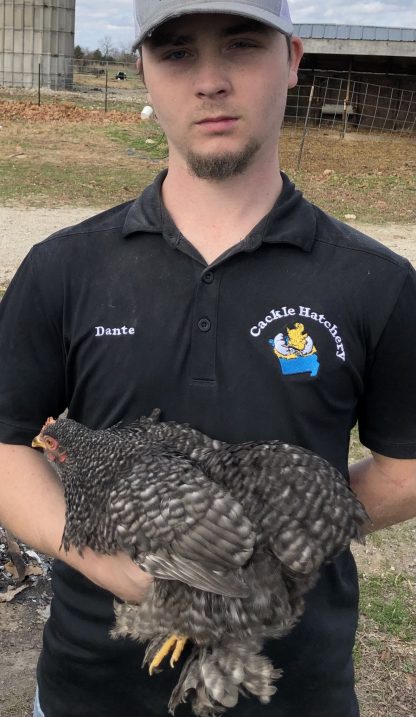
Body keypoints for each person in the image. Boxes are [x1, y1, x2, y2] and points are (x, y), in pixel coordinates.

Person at [0, 0, 415, 715]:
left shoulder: (375, 283)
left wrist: (262, 542)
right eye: (177, 52)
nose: (211, 80)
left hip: (293, 691)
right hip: (91, 692)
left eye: (243, 45)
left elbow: (408, 467)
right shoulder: (64, 268)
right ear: (143, 72)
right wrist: (129, 571)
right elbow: (5, 445)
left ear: (292, 61)